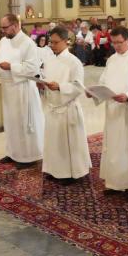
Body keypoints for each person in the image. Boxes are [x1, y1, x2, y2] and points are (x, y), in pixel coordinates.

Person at [88, 26, 128, 203]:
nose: (116, 46)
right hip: (113, 110)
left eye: (119, 42)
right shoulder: (112, 60)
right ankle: (116, 183)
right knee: (114, 148)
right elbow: (103, 82)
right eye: (113, 42)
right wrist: (94, 92)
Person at [0, 13, 44, 169]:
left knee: (23, 123)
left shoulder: (28, 43)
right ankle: (13, 153)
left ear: (16, 25)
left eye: (5, 27)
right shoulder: (3, 41)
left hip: (23, 88)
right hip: (8, 88)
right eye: (2, 28)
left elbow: (33, 69)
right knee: (11, 122)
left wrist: (11, 67)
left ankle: (28, 157)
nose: (3, 31)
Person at [38, 26, 91, 185]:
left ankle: (70, 173)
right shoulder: (48, 60)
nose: (52, 45)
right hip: (53, 106)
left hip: (68, 109)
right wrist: (42, 86)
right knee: (53, 141)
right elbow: (46, 78)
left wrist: (60, 87)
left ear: (65, 41)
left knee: (67, 143)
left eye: (55, 42)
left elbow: (78, 87)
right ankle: (54, 169)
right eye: (50, 42)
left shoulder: (74, 62)